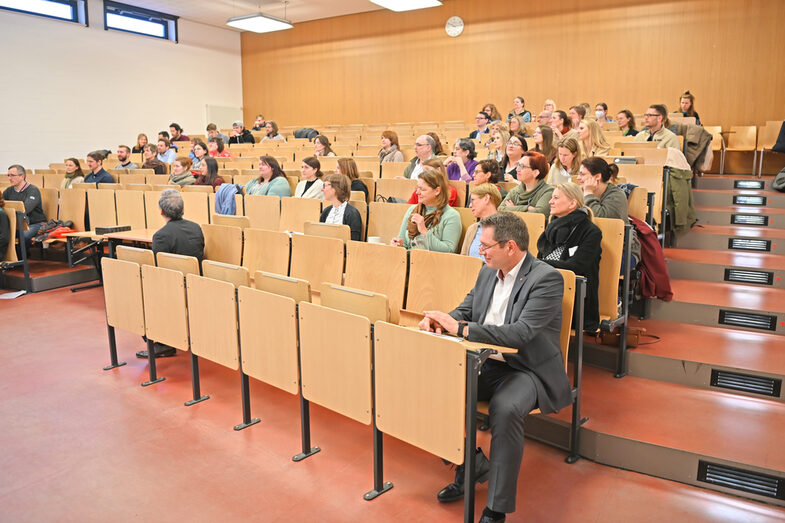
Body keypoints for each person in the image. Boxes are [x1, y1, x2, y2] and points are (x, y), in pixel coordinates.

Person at [420, 211, 570, 523]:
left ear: (511, 247)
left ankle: (496, 509)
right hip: (485, 360)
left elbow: (521, 333)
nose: (480, 251)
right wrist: (440, 319)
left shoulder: (546, 278)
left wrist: (461, 329)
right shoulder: (488, 271)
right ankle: (472, 466)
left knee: (506, 409)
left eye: (486, 246)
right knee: (434, 386)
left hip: (526, 368)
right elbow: (466, 308)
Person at [146, 189, 205, 358]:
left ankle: (164, 342)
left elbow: (160, 267)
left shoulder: (161, 236)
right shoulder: (196, 227)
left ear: (162, 211)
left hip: (174, 285)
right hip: (196, 282)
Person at [538, 182, 602, 332]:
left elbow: (576, 267)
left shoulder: (591, 232)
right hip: (546, 290)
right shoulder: (551, 228)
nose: (550, 201)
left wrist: (539, 264)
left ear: (572, 203)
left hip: (575, 299)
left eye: (556, 198)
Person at [578, 157, 641, 265]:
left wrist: (589, 193)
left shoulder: (617, 195)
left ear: (597, 177)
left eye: (583, 174)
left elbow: (601, 222)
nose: (578, 178)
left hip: (621, 250)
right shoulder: (581, 193)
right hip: (592, 247)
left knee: (587, 266)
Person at [391, 169, 461, 252]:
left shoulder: (451, 215)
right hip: (410, 260)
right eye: (417, 188)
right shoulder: (412, 210)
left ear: (437, 191)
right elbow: (404, 242)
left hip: (433, 263)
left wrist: (424, 231)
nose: (417, 192)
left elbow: (449, 250)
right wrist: (398, 244)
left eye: (422, 189)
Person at [499, 151, 554, 217]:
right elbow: (500, 209)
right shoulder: (515, 190)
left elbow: (538, 214)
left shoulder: (548, 191)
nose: (517, 169)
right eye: (518, 165)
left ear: (535, 172)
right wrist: (527, 208)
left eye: (522, 166)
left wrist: (512, 208)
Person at [3, 165, 47, 246]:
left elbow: (25, 209)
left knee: (24, 235)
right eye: (8, 175)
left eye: (12, 175)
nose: (9, 178)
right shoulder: (8, 191)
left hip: (35, 223)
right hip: (16, 223)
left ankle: (22, 257)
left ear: (22, 176)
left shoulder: (33, 190)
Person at [461, 183, 502, 258]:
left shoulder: (507, 229)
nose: (470, 205)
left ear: (486, 198)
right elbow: (463, 260)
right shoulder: (472, 229)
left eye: (473, 200)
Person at [320, 173, 363, 241]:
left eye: (325, 186)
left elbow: (354, 243)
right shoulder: (326, 211)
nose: (322, 189)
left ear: (336, 188)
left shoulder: (352, 214)